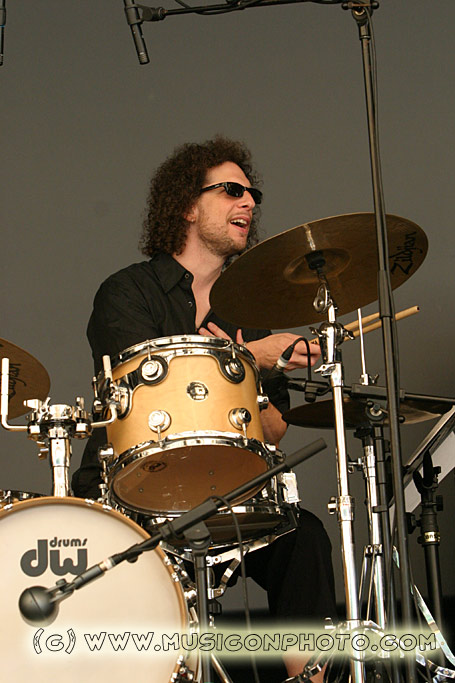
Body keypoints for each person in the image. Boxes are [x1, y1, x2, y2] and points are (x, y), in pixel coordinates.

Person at [72, 136, 337, 679]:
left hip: (220, 499)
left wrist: (259, 374)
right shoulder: (128, 291)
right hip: (132, 498)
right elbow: (150, 398)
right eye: (232, 191)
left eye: (253, 194)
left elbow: (273, 430)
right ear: (188, 206)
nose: (250, 203)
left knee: (303, 537)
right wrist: (247, 358)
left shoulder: (251, 311)